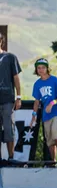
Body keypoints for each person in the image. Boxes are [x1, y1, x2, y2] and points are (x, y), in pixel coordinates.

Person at [29, 58, 57, 164]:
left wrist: (53, 102)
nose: (41, 70)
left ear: (47, 68)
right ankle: (53, 161)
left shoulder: (54, 80)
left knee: (55, 132)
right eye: (39, 68)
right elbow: (37, 101)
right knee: (49, 140)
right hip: (46, 114)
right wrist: (34, 115)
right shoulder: (37, 84)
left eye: (43, 67)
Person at [0, 31, 22, 161]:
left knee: (9, 128)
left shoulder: (10, 57)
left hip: (8, 98)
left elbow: (16, 78)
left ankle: (11, 157)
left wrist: (18, 97)